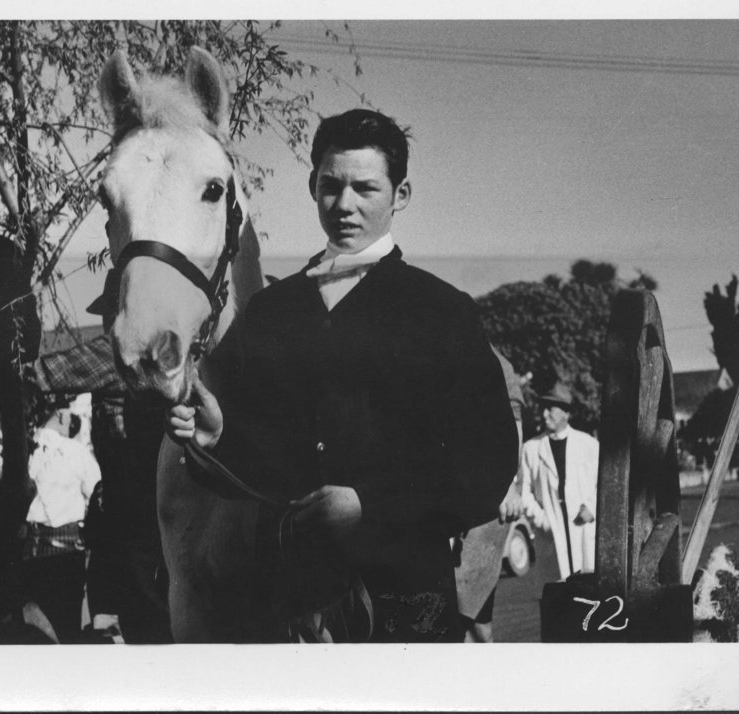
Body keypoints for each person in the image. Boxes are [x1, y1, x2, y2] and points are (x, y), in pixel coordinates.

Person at [167, 108, 518, 642]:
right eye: (331, 186)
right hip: (289, 607)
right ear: (312, 186)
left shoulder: (442, 312)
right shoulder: (272, 312)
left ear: (400, 195)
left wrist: (368, 505)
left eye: (365, 188)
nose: (345, 205)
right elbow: (263, 468)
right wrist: (221, 436)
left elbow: (486, 467)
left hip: (409, 608)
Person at [27, 338, 174, 643]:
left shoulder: (123, 349)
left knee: (142, 623)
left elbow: (40, 372)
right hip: (150, 514)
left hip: (133, 518)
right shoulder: (162, 351)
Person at [454, 346, 526, 643]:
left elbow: (515, 427)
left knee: (472, 611)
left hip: (490, 501)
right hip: (452, 499)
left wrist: (510, 484)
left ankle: (485, 675)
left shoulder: (496, 364)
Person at [24, 396, 102, 642]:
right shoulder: (74, 452)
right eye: (71, 416)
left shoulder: (23, 450)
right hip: (67, 552)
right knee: (67, 626)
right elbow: (98, 495)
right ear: (60, 414)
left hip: (29, 550)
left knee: (37, 627)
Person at [521, 382, 599, 580]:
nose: (544, 414)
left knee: (587, 590)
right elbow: (524, 492)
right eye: (543, 408)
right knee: (557, 595)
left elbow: (604, 486)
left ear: (566, 413)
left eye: (550, 409)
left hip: (583, 528)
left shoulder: (589, 445)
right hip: (551, 534)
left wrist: (592, 507)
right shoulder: (531, 449)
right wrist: (543, 521)